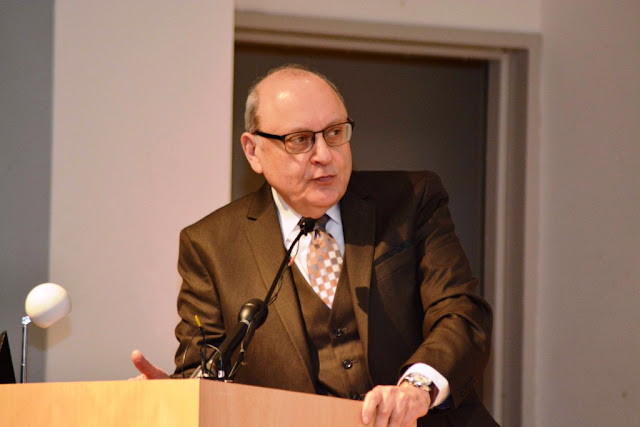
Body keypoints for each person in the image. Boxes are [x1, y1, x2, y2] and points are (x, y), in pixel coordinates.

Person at [132, 64, 496, 426]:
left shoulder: (412, 200)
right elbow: (204, 370)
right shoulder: (210, 245)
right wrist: (175, 397)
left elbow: (461, 313)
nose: (324, 154)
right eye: (300, 140)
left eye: (335, 133)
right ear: (253, 151)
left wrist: (416, 389)